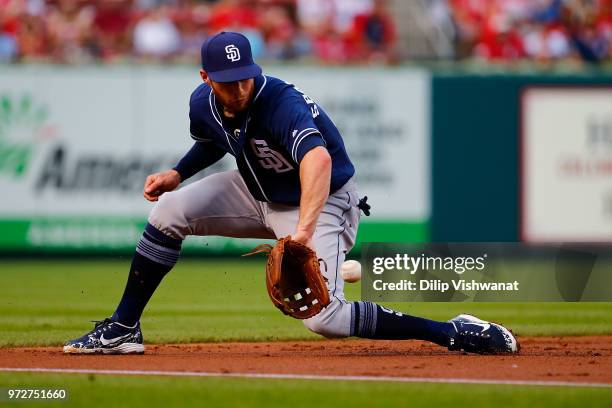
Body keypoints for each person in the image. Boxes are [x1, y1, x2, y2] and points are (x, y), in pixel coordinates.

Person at [63, 31, 519, 355]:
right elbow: (211, 140)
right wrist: (179, 174)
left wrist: (303, 232)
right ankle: (123, 328)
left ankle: (450, 330)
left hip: (320, 202)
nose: (239, 87)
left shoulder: (280, 103)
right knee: (168, 212)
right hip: (254, 191)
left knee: (326, 319)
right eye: (227, 80)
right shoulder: (203, 104)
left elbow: (316, 161)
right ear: (206, 78)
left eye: (245, 75)